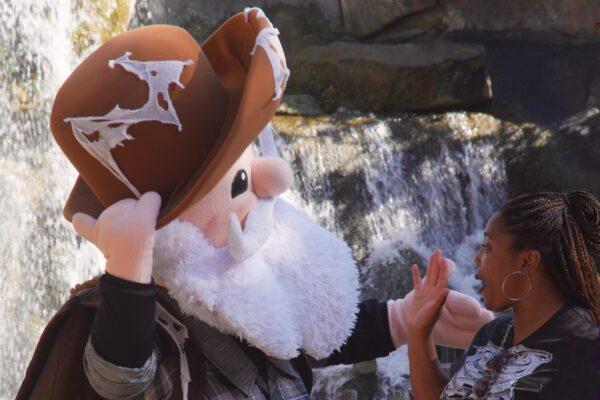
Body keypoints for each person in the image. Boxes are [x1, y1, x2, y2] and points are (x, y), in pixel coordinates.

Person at [17, 8, 493, 400]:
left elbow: (301, 332)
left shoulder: (235, 276)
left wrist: (404, 319)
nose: (273, 181)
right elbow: (117, 381)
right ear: (152, 229)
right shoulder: (141, 324)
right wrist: (127, 282)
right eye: (240, 179)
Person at [407, 191, 600, 400]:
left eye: (487, 247)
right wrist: (419, 332)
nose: (477, 260)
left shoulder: (586, 348)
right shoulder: (494, 333)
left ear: (527, 262)